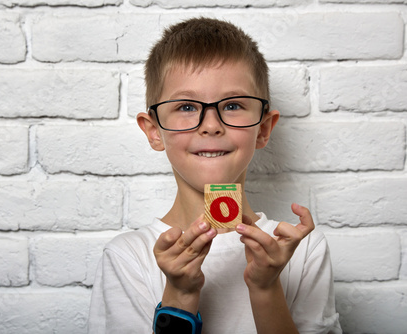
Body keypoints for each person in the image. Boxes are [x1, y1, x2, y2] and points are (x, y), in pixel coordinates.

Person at [88, 17, 341, 334]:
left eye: (233, 104)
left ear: (262, 130)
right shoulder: (128, 257)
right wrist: (179, 296)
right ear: (154, 131)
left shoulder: (301, 249)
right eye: (186, 107)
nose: (210, 125)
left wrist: (265, 289)